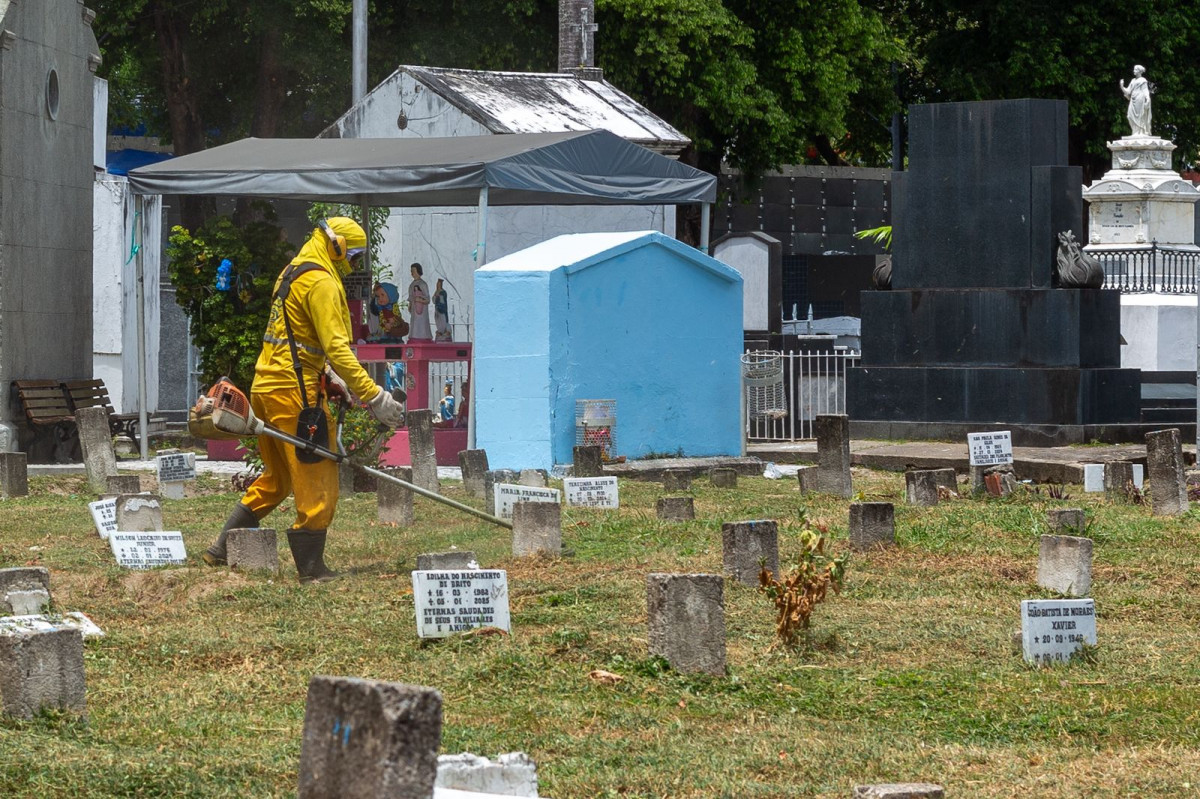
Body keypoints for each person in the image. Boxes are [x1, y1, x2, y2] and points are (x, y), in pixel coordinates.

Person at [202, 217, 405, 583]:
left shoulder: (291, 273)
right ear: (337, 245)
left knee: (277, 478)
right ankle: (312, 569)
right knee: (318, 478)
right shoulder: (323, 282)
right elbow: (337, 348)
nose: (353, 264)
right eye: (354, 255)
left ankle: (221, 547)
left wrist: (327, 378)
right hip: (295, 395)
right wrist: (373, 395)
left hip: (266, 386)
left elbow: (296, 340)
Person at [1120, 65, 1152, 137]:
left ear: (1139, 71)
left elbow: (1145, 90)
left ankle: (1140, 132)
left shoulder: (1143, 80)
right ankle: (1135, 132)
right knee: (1129, 116)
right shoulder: (1133, 80)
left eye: (1135, 70)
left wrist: (1148, 98)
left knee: (1140, 116)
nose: (1134, 71)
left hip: (1140, 99)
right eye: (1134, 69)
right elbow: (1128, 92)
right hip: (1133, 99)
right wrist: (1122, 86)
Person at [407, 263, 432, 340]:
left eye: (414, 271)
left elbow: (427, 299)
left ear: (418, 271)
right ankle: (414, 335)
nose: (412, 273)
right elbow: (411, 297)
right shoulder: (411, 285)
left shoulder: (423, 284)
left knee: (422, 323)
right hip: (414, 309)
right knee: (414, 323)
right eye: (411, 271)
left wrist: (420, 300)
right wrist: (410, 304)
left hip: (422, 310)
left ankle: (424, 335)